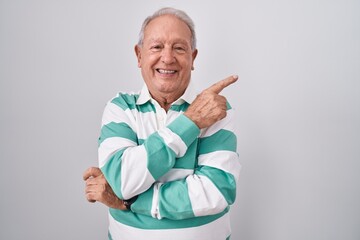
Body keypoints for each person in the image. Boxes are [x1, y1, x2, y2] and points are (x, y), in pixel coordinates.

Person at [83, 7, 241, 240]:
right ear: (139, 55)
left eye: (179, 48)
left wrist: (129, 201)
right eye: (157, 47)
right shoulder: (120, 108)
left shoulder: (215, 109)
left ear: (193, 57)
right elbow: (123, 180)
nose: (167, 58)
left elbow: (216, 192)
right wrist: (191, 122)